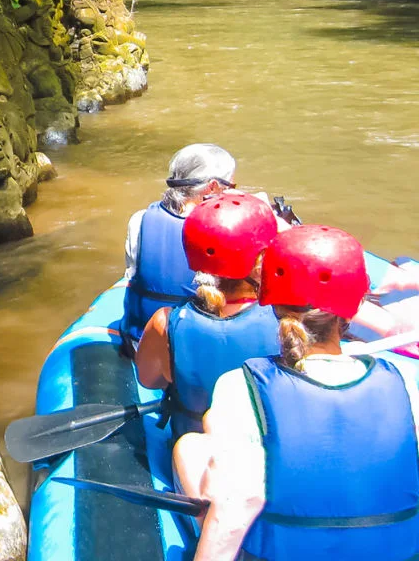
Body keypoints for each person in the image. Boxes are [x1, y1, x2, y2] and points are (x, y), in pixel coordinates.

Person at [175, 225, 419, 561]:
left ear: (272, 301)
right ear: (351, 308)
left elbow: (240, 501)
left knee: (190, 447)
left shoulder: (239, 385)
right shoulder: (404, 380)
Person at [135, 192, 281, 441]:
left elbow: (149, 381)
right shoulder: (287, 322)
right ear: (261, 262)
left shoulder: (165, 322)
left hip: (197, 458)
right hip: (269, 460)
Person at [121, 143, 237, 349]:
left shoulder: (140, 220)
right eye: (231, 186)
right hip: (193, 347)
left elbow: (132, 274)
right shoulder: (224, 230)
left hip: (141, 340)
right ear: (213, 187)